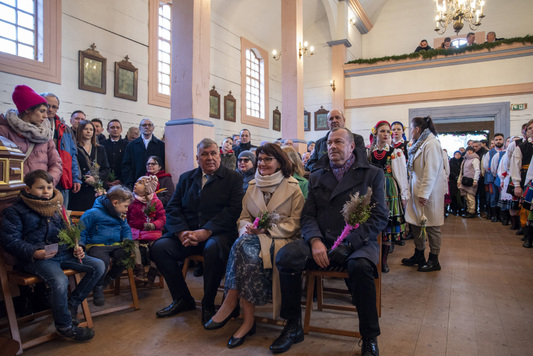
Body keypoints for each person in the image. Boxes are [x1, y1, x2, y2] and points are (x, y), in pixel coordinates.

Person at [271, 127, 387, 355]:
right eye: (329, 142)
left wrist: (349, 244)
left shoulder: (372, 174)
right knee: (287, 257)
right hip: (322, 240)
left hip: (358, 242)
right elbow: (308, 216)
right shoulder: (316, 175)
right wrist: (314, 241)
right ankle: (293, 325)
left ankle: (369, 337)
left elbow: (379, 217)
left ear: (352, 146)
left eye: (338, 142)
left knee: (361, 266)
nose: (332, 146)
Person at [205, 143, 304, 349]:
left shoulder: (293, 188)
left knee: (243, 250)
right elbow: (243, 218)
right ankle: (245, 318)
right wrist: (247, 228)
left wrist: (266, 231)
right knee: (243, 247)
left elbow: (295, 223)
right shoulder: (251, 186)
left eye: (268, 159)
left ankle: (237, 309)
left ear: (279, 162)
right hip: (251, 238)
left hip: (281, 239)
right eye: (260, 159)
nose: (262, 163)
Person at [0, 170, 105, 342]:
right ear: (27, 189)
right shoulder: (15, 211)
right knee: (59, 281)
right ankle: (65, 326)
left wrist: (77, 247)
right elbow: (9, 240)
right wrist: (34, 252)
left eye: (49, 187)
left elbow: (71, 231)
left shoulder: (57, 207)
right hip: (37, 258)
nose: (46, 191)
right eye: (40, 188)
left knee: (98, 265)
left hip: (64, 253)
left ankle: (71, 304)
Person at [150, 138, 244, 324]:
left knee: (213, 249)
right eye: (204, 154)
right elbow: (173, 208)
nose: (210, 158)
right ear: (197, 157)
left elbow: (233, 211)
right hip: (187, 235)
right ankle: (182, 298)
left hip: (218, 235)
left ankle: (208, 303)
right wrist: (181, 232)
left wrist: (207, 231)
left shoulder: (233, 178)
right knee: (159, 248)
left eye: (213, 153)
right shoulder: (187, 178)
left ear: (220, 155)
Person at [402, 116, 445, 272]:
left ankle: (434, 259)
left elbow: (431, 171)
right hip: (416, 189)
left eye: (411, 128)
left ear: (417, 128)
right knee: (416, 223)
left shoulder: (432, 143)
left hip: (428, 192)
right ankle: (419, 254)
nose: (410, 131)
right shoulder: (419, 143)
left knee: (431, 225)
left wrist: (424, 193)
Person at [80, 185, 133, 306]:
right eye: (125, 206)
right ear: (115, 202)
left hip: (116, 244)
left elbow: (126, 229)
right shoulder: (92, 213)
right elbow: (82, 231)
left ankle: (107, 280)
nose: (127, 209)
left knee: (126, 255)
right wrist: (81, 245)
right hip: (97, 245)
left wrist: (127, 240)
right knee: (102, 260)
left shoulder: (121, 215)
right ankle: (98, 286)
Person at [0, 85, 62, 186]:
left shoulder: (45, 134)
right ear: (27, 110)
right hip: (13, 194)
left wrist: (46, 184)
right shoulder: (4, 132)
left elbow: (56, 163)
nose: (45, 116)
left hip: (41, 193)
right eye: (42, 111)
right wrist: (27, 185)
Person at [368, 121, 409, 273]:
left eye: (388, 132)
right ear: (376, 133)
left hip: (388, 189)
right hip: (372, 189)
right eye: (382, 131)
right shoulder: (369, 152)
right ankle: (372, 258)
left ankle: (383, 260)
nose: (386, 134)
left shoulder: (395, 152)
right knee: (372, 225)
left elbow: (401, 175)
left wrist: (404, 195)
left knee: (386, 227)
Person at [41, 92, 82, 209]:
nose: (50, 109)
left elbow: (72, 156)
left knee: (61, 216)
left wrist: (76, 178)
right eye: (47, 105)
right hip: (41, 178)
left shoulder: (65, 129)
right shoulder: (34, 126)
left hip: (62, 179)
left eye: (54, 107)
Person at [127, 175, 166, 283]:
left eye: (139, 183)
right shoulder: (132, 201)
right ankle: (139, 270)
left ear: (147, 188)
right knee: (133, 245)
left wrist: (154, 225)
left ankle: (154, 269)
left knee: (156, 245)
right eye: (136, 182)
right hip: (135, 230)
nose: (135, 184)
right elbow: (127, 216)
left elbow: (162, 218)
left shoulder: (156, 202)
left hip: (151, 230)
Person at [69, 120, 110, 211]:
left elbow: (106, 169)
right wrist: (85, 179)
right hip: (80, 189)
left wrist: (95, 178)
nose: (88, 131)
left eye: (91, 129)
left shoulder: (100, 148)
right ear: (80, 131)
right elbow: (72, 167)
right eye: (86, 129)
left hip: (95, 190)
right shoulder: (74, 147)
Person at [121, 118, 165, 189]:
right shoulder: (131, 145)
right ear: (140, 128)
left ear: (153, 128)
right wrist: (129, 183)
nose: (147, 127)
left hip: (155, 184)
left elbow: (163, 165)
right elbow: (126, 165)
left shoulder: (161, 145)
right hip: (135, 183)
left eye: (149, 125)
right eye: (144, 125)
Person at [510, 119, 533, 247]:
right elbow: (515, 166)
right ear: (526, 131)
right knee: (526, 209)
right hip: (527, 180)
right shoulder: (521, 147)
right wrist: (517, 184)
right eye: (530, 128)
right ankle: (528, 236)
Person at [100, 119, 129, 186]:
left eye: (117, 127)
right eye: (112, 127)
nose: (115, 129)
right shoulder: (101, 145)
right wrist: (105, 180)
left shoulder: (127, 145)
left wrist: (121, 180)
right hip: (104, 182)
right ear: (108, 129)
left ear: (121, 130)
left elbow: (129, 164)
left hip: (122, 182)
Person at [485, 134, 506, 222]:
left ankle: (503, 216)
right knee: (494, 196)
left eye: (500, 139)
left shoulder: (506, 151)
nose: (498, 141)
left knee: (503, 196)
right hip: (494, 178)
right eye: (496, 140)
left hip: (505, 178)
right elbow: (487, 166)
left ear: (503, 140)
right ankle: (494, 215)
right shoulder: (490, 152)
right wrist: (495, 175)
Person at [458, 146, 480, 219]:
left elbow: (477, 170)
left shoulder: (475, 159)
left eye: (471, 150)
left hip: (471, 180)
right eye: (468, 150)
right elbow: (462, 171)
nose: (469, 152)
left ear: (473, 151)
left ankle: (472, 211)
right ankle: (468, 210)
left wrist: (475, 180)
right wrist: (459, 180)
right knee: (466, 197)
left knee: (471, 197)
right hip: (465, 180)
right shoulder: (465, 159)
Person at [448, 151, 464, 215]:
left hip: (461, 180)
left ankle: (460, 209)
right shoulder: (451, 161)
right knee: (453, 195)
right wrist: (454, 176)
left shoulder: (463, 161)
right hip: (453, 180)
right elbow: (449, 170)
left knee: (460, 195)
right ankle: (454, 209)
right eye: (456, 154)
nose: (457, 155)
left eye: (458, 154)